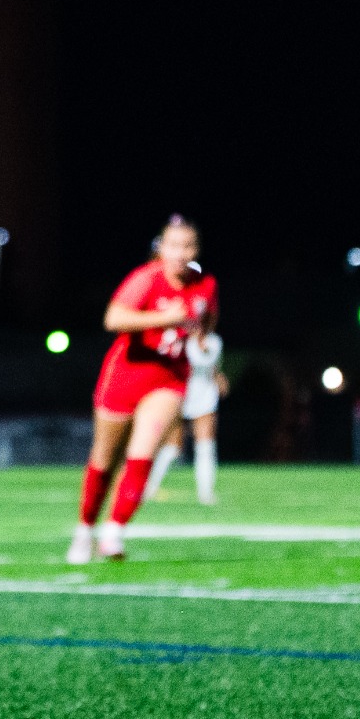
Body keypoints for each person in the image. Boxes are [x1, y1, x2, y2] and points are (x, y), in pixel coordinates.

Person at [66, 217, 217, 564]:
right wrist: (163, 320)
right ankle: (84, 529)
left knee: (143, 453)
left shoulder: (206, 284)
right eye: (173, 245)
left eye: (188, 246)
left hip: (168, 380)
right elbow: (113, 319)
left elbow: (206, 321)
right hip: (125, 375)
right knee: (104, 457)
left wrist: (200, 339)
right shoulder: (146, 279)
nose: (181, 254)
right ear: (161, 248)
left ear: (196, 250)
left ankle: (114, 531)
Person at [143, 330, 226, 505]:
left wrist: (219, 378)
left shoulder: (214, 341)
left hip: (205, 397)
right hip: (180, 393)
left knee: (205, 446)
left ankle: (206, 493)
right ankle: (148, 487)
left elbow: (213, 367)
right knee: (172, 447)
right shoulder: (179, 339)